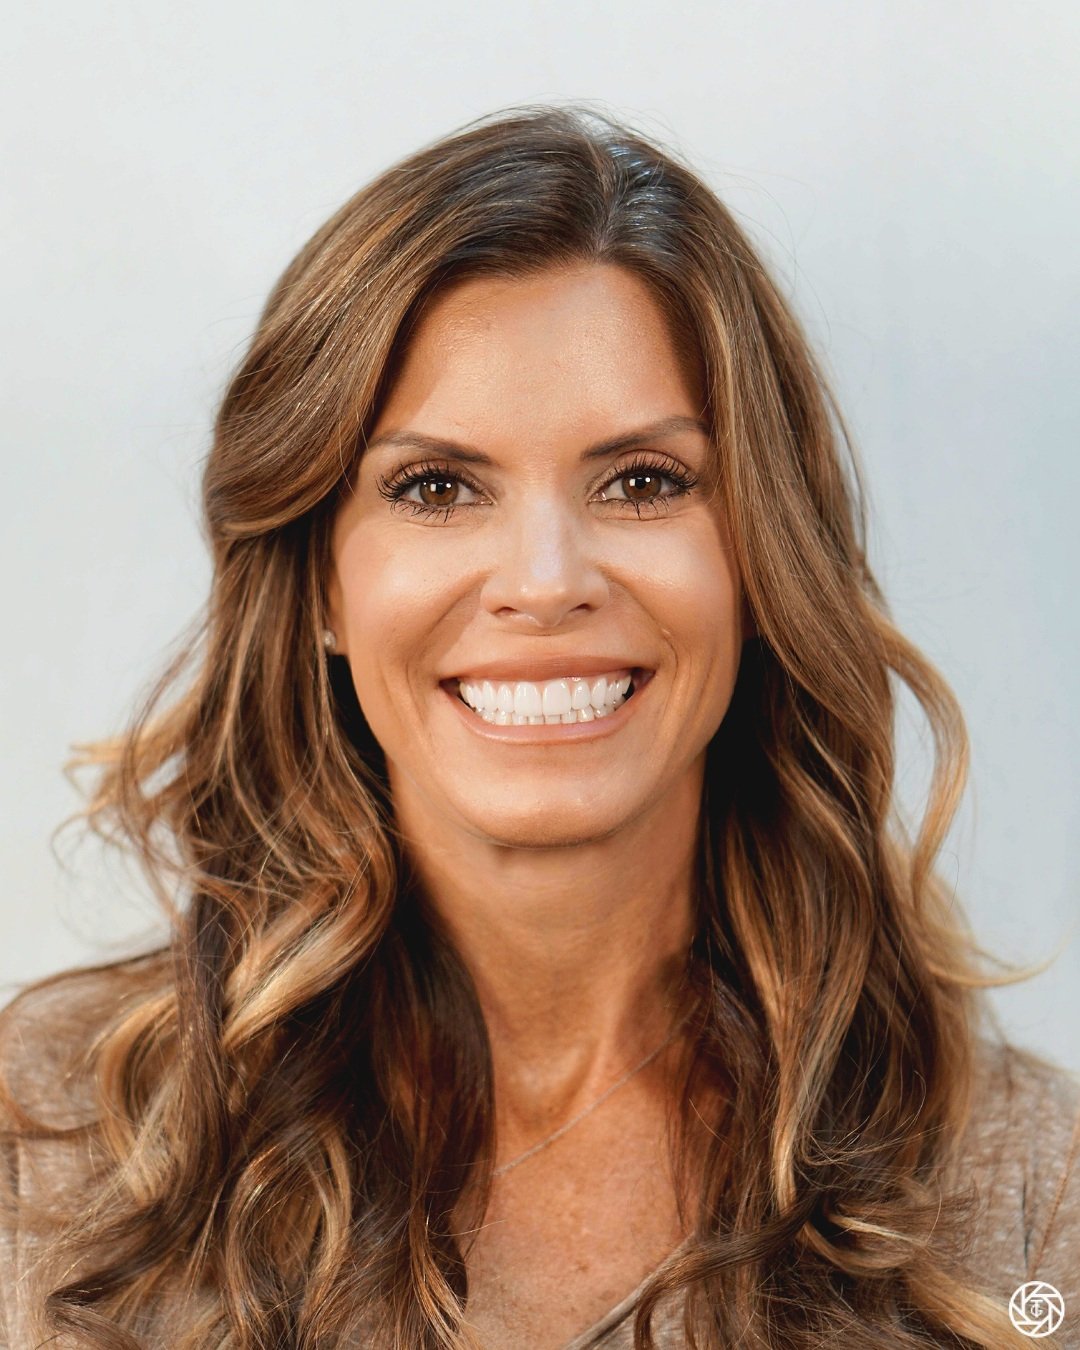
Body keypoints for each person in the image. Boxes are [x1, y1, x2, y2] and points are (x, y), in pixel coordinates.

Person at [1, 102, 1078, 1350]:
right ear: (318, 587)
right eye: (437, 488)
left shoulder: (1028, 1195)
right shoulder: (46, 1136)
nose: (546, 579)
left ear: (759, 560)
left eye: (643, 482)